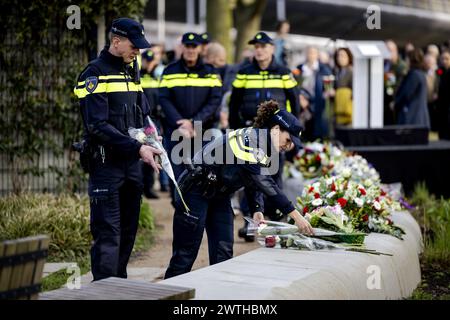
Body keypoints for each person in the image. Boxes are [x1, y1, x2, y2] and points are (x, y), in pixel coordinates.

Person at [164, 100, 314, 279]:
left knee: (224, 254)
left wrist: (257, 209)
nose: (288, 147)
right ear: (275, 129)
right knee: (185, 256)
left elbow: (252, 179)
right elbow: (263, 181)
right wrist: (296, 216)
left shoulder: (265, 144)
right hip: (195, 191)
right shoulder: (251, 140)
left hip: (219, 195)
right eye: (288, 140)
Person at [73, 18, 162, 281]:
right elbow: (97, 126)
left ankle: (119, 288)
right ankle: (103, 291)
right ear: (116, 41)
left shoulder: (131, 71)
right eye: (134, 46)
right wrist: (138, 148)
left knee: (127, 231)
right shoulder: (93, 73)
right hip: (106, 166)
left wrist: (152, 138)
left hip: (132, 166)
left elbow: (142, 114)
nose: (138, 52)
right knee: (108, 233)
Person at [229, 31, 300, 240]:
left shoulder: (284, 72)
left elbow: (294, 103)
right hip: (250, 134)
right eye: (256, 47)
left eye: (262, 46)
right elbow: (234, 104)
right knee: (250, 177)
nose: (258, 50)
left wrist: (292, 135)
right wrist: (236, 129)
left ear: (271, 49)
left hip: (276, 136)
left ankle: (275, 221)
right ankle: (251, 221)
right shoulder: (244, 72)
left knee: (274, 177)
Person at [159, 32, 222, 204]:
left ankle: (195, 209)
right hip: (176, 131)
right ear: (182, 48)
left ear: (200, 48)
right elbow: (164, 99)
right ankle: (180, 207)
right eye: (187, 46)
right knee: (178, 173)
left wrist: (194, 123)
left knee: (201, 171)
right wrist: (181, 123)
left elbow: (215, 100)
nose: (191, 50)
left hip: (202, 132)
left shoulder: (211, 73)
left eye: (194, 46)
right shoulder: (169, 71)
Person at [140, 45, 169, 197]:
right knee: (141, 153)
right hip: (141, 121)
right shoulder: (137, 76)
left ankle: (149, 187)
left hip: (154, 121)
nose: (149, 64)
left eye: (151, 61)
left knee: (153, 151)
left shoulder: (156, 77)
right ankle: (141, 186)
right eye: (147, 61)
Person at [296, 46, 332, 140]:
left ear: (317, 55)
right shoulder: (300, 69)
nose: (311, 55)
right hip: (303, 106)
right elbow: (294, 86)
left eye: (313, 53)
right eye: (309, 53)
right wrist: (300, 97)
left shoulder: (323, 69)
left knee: (318, 132)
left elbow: (329, 86)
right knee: (303, 132)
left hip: (318, 105)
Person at [394, 49, 430, 128]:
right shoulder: (420, 74)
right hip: (418, 118)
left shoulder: (414, 75)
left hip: (412, 118)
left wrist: (395, 103)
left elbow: (406, 94)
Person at [384, 40, 408, 125]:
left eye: (390, 50)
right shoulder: (384, 64)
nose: (387, 53)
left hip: (395, 102)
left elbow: (400, 85)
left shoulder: (400, 66)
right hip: (385, 101)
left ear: (395, 51)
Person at [332, 47, 353, 126]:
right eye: (338, 56)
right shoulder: (336, 71)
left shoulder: (351, 72)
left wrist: (336, 93)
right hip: (338, 109)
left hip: (348, 109)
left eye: (343, 56)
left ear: (349, 57)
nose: (340, 58)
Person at [436, 50, 450, 140]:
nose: (444, 61)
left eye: (447, 59)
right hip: (441, 104)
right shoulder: (440, 71)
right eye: (442, 59)